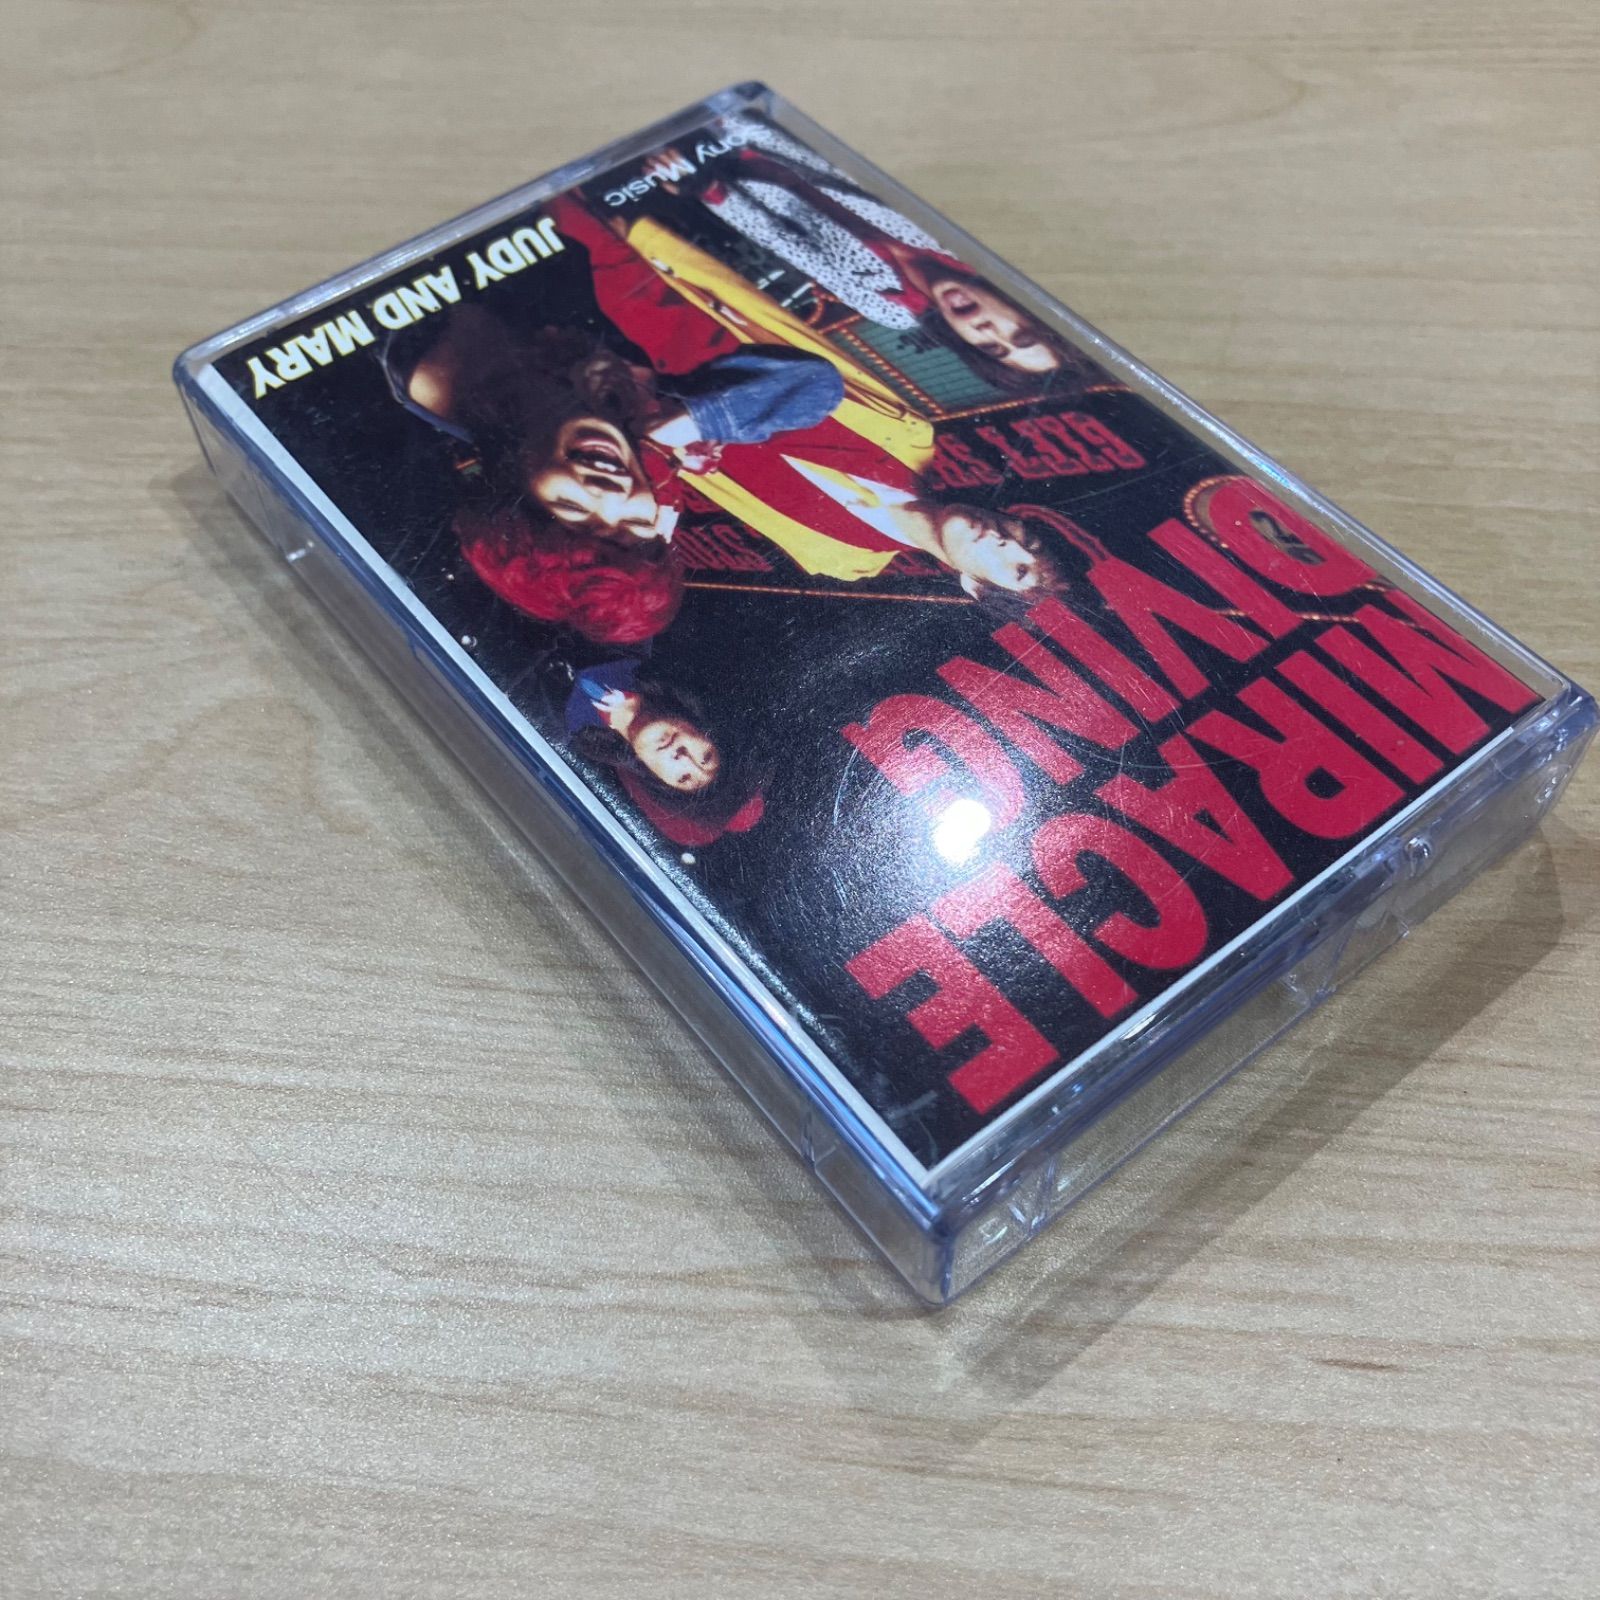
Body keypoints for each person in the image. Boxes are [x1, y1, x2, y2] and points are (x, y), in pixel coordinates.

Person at [391, 303, 845, 644]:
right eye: (635, 521)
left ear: (511, 485)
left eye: (573, 511)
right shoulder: (625, 403)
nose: (613, 493)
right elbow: (818, 386)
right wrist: (689, 421)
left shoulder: (420, 367)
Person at [653, 116, 1104, 393]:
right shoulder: (972, 239)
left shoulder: (891, 309)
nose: (986, 330)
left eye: (991, 348)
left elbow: (782, 240)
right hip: (780, 122)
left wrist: (704, 188)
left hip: (729, 167)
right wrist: (740, 125)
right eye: (1020, 333)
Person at [564, 659, 765, 847]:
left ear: (657, 780)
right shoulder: (636, 649)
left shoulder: (566, 739)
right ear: (703, 727)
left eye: (684, 778)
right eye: (706, 757)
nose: (683, 758)